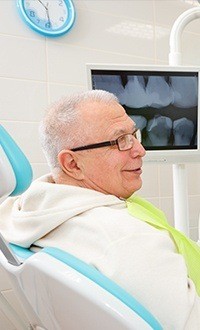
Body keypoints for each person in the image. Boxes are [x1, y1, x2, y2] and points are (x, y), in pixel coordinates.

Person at [0, 90, 200, 329]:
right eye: (120, 141)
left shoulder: (24, 212)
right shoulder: (128, 240)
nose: (140, 150)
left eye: (134, 135)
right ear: (72, 164)